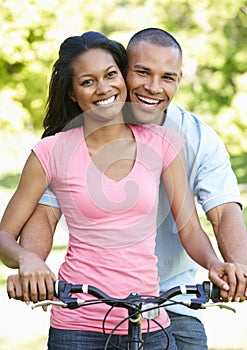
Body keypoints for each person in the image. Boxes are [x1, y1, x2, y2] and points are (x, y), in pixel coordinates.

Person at [5, 28, 247, 349]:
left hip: (164, 306)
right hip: (83, 314)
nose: (153, 87)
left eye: (167, 77)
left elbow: (212, 216)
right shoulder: (55, 150)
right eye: (143, 73)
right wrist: (29, 263)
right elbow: (39, 219)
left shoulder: (179, 139)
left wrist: (227, 267)